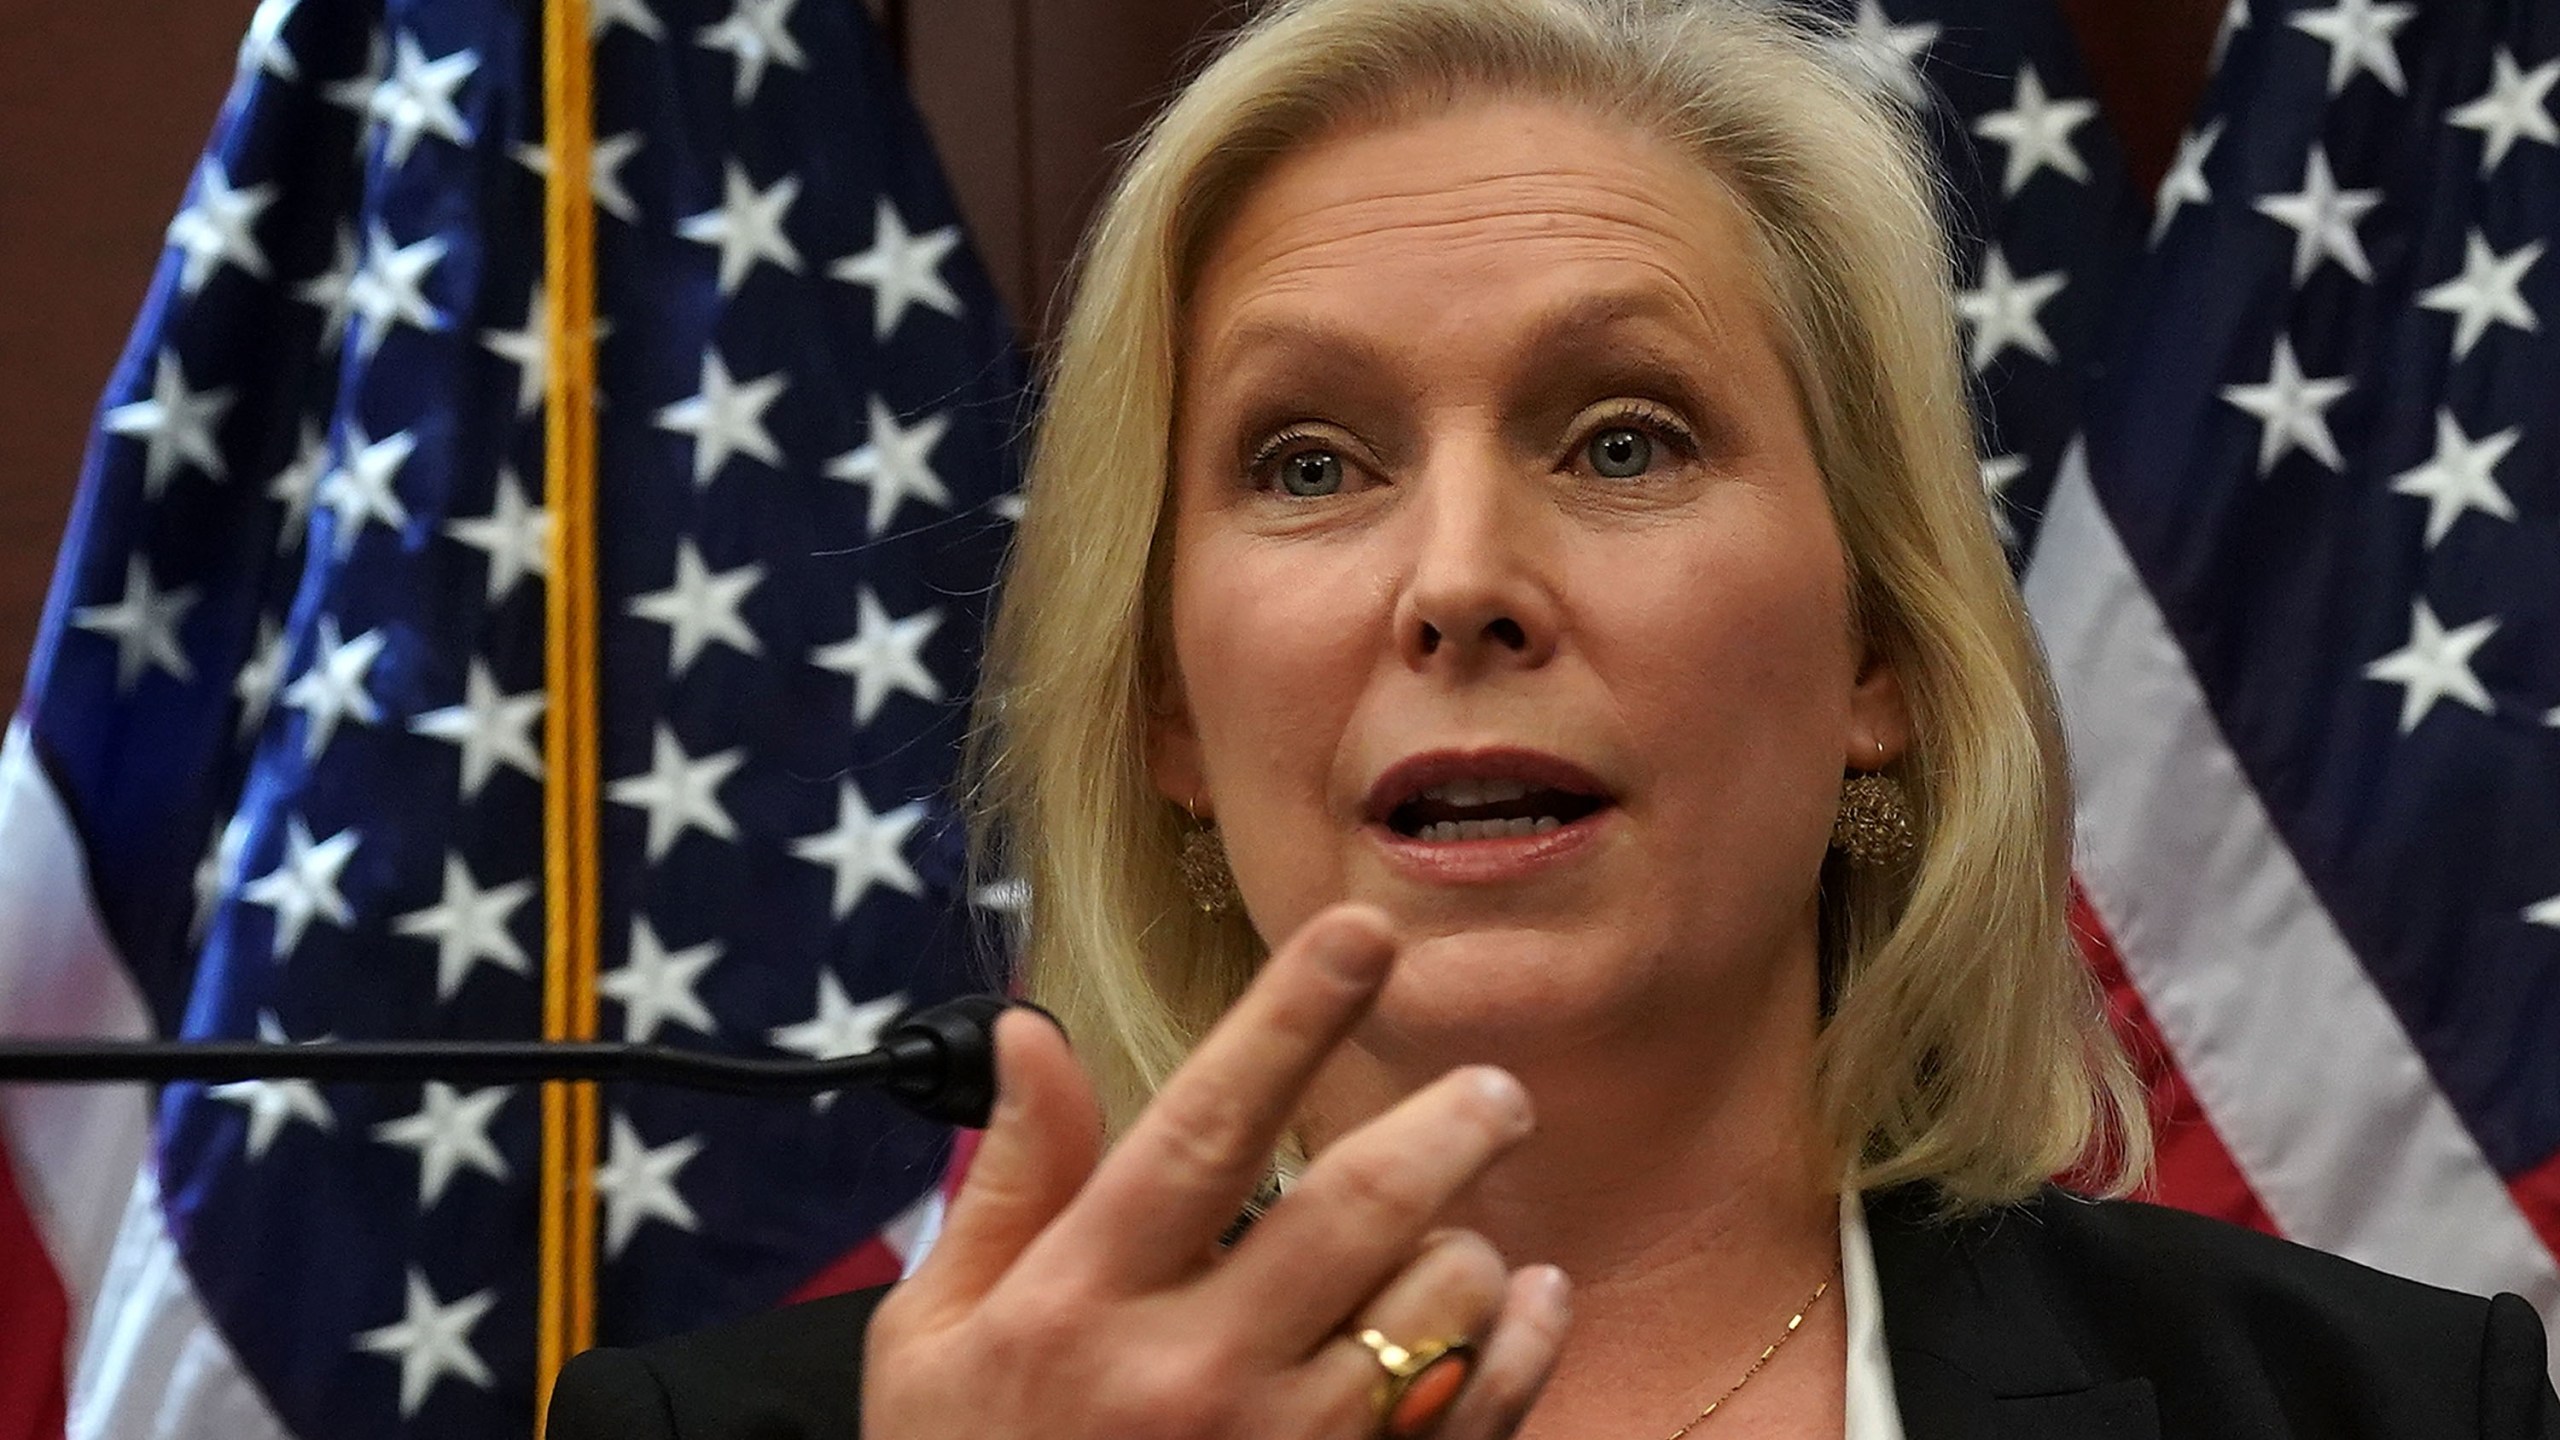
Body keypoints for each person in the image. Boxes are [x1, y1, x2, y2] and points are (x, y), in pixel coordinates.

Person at [549, 0, 2560, 1435]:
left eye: (1619, 437)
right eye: (1311, 463)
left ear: (1875, 653)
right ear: (1168, 705)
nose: (1455, 581)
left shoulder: (2378, 1404)